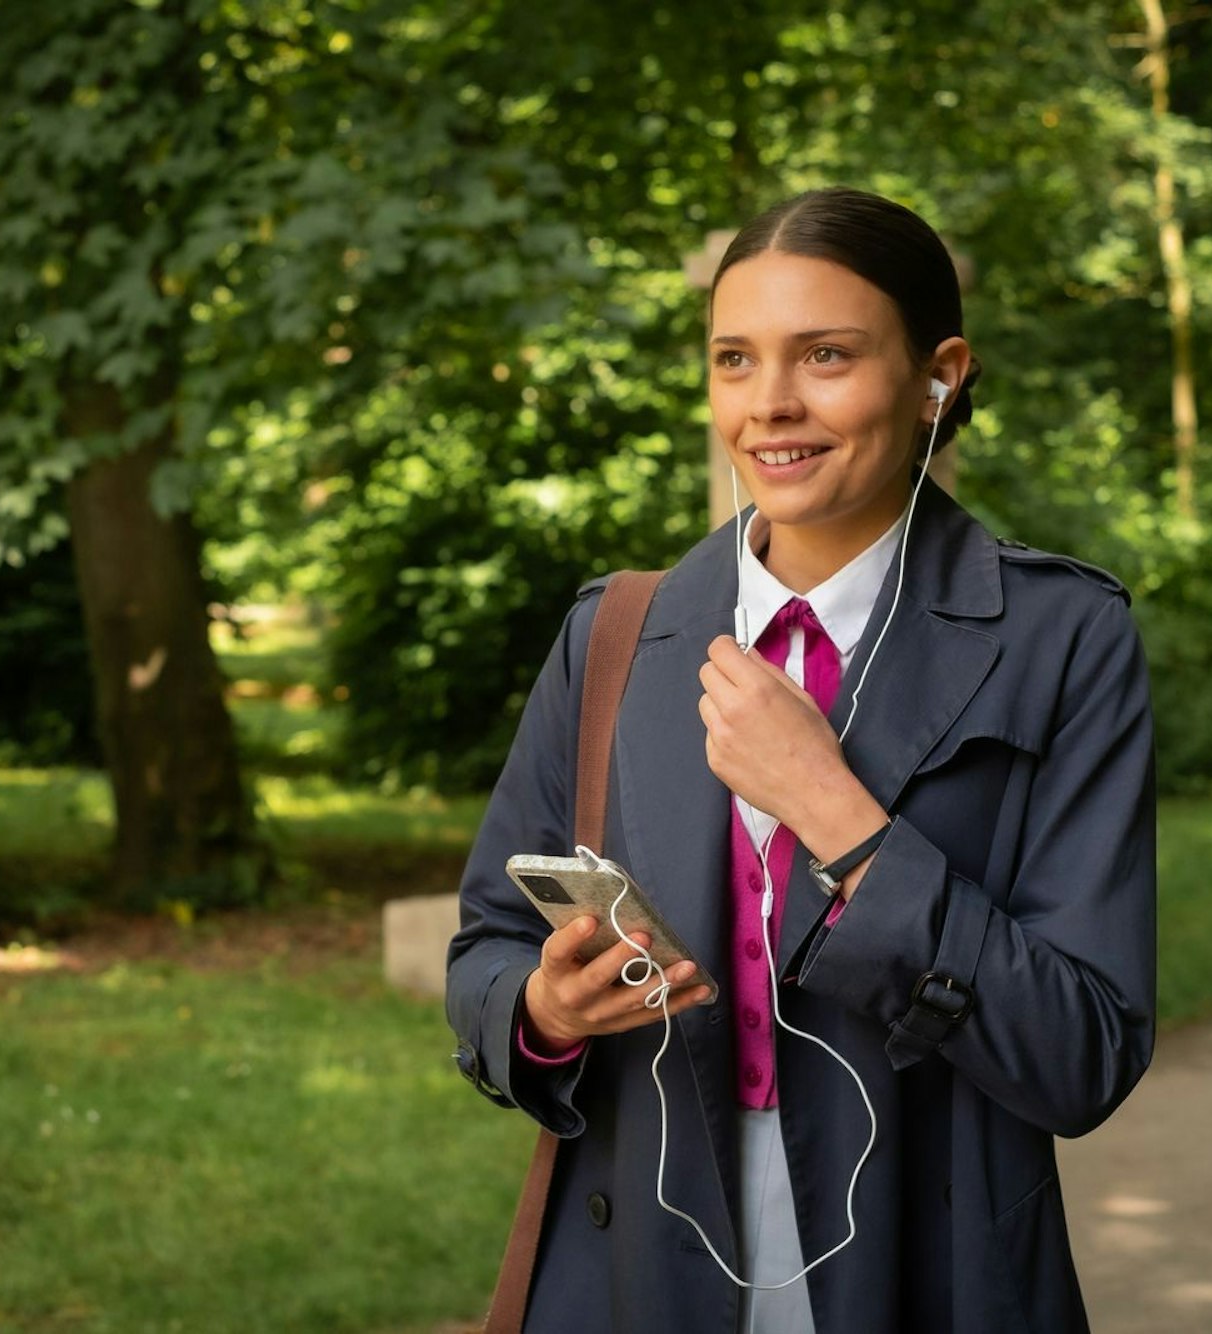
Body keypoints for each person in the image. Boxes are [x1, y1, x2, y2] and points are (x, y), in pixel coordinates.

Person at [447, 187, 1156, 1334]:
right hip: (636, 1275)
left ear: (939, 374)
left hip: (934, 1270)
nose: (769, 403)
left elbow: (1083, 1053)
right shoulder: (617, 634)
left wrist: (839, 813)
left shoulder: (1060, 637)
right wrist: (543, 1004)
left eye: (824, 354)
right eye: (735, 358)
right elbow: (484, 954)